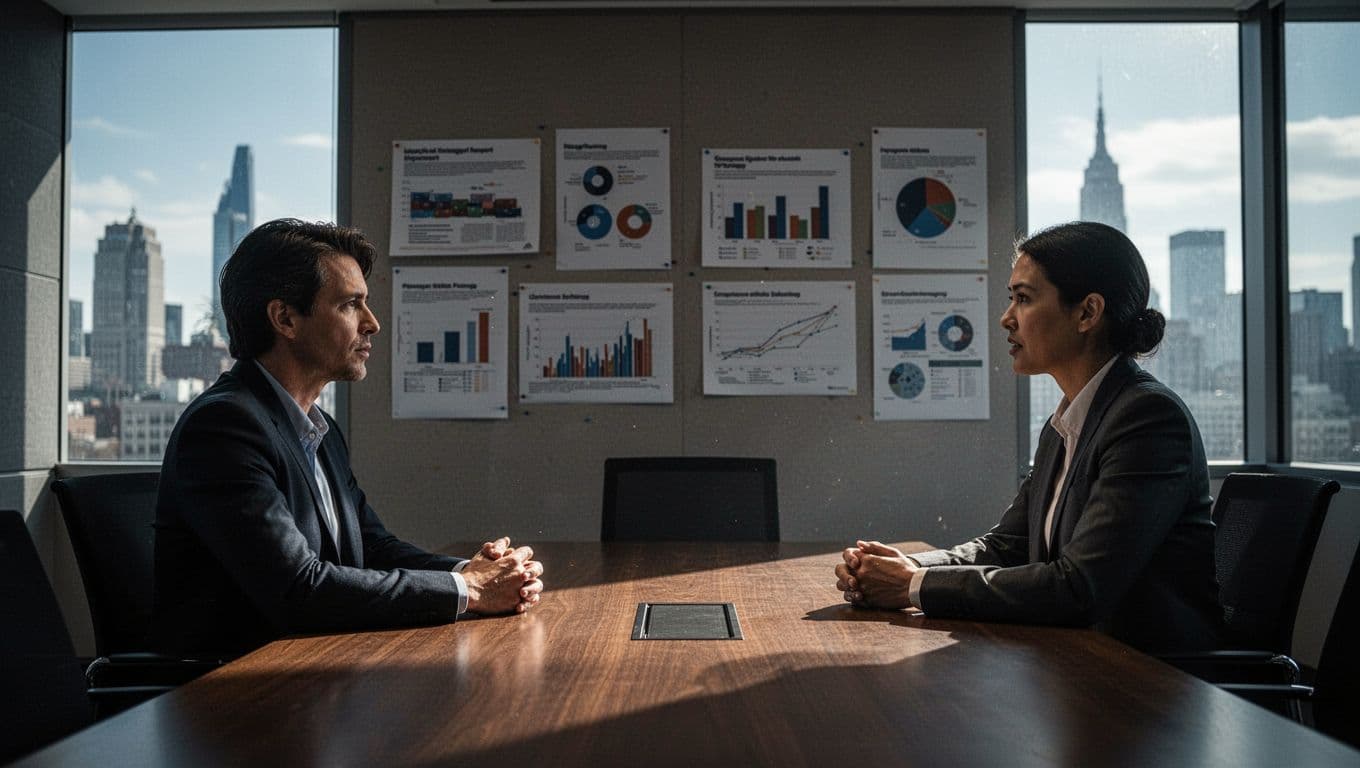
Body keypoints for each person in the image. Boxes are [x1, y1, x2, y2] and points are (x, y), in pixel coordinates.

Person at [154, 219, 543, 657]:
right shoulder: (225, 428)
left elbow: (373, 547)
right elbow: (298, 589)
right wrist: (467, 589)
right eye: (350, 305)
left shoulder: (318, 426)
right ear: (285, 318)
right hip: (237, 694)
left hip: (317, 668)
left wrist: (473, 573)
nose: (373, 323)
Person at [835, 221, 1220, 654]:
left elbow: (1079, 587)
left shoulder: (1147, 419)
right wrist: (904, 568)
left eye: (1023, 298)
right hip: (1077, 666)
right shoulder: (1066, 423)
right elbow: (1007, 546)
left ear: (1087, 313)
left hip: (1151, 687)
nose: (1006, 318)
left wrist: (912, 586)